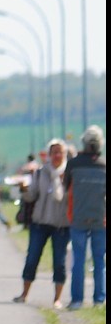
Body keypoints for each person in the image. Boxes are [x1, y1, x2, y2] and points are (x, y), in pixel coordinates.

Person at [12, 139, 70, 309]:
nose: (57, 156)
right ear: (49, 155)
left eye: (61, 152)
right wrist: (23, 189)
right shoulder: (40, 173)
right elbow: (31, 196)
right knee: (32, 259)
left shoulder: (70, 174)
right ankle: (24, 294)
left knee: (59, 262)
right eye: (54, 152)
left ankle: (57, 299)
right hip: (40, 223)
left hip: (61, 225)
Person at [63, 125, 106, 310]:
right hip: (100, 218)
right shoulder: (104, 165)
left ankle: (77, 300)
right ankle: (99, 300)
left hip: (78, 217)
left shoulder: (73, 164)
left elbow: (65, 187)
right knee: (99, 261)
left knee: (78, 261)